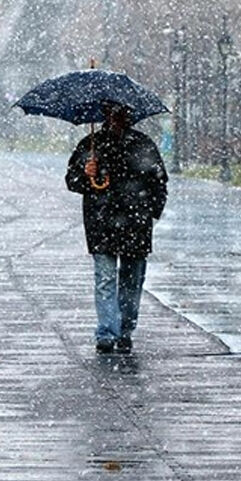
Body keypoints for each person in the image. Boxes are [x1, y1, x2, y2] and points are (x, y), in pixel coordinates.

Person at [65, 101, 168, 354]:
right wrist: (85, 172)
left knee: (132, 281)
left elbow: (159, 182)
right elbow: (72, 180)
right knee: (106, 279)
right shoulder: (91, 145)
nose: (116, 119)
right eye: (111, 114)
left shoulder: (143, 145)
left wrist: (150, 212)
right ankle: (107, 332)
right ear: (105, 115)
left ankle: (124, 330)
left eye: (121, 114)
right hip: (102, 223)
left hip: (135, 224)